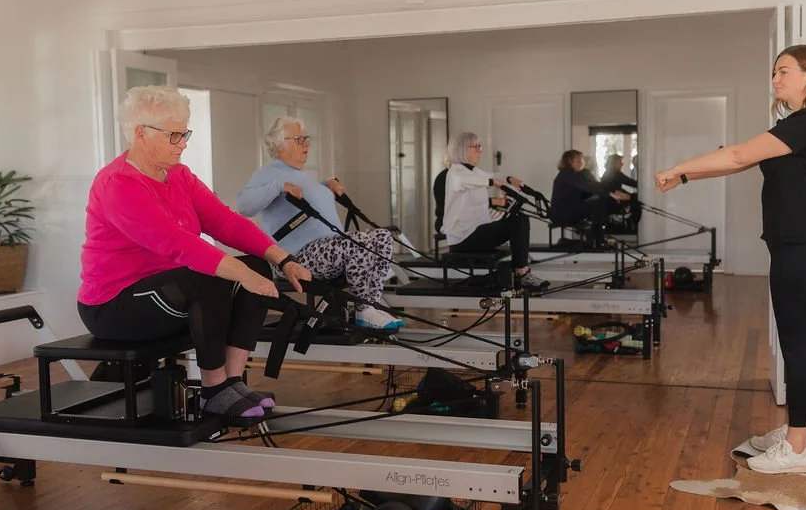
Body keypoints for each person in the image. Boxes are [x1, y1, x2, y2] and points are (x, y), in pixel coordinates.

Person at [655, 44, 806, 474]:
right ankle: (797, 434)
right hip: (795, 246)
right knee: (797, 340)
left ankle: (797, 451)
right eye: (774, 72)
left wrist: (677, 165)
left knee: (797, 344)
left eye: (784, 71)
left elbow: (738, 154)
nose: (775, 79)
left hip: (804, 248)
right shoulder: (795, 125)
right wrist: (686, 175)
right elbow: (741, 162)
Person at [77, 86, 312, 421]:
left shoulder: (179, 175)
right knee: (211, 276)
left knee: (255, 265)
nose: (183, 144)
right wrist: (242, 276)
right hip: (114, 305)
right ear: (141, 133)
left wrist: (282, 260)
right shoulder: (118, 184)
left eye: (184, 134)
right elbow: (176, 243)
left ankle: (232, 381)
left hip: (167, 292)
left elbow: (225, 222)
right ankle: (213, 389)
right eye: (174, 136)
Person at [236, 117, 404, 330]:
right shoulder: (267, 174)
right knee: (357, 243)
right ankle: (364, 311)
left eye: (306, 138)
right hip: (297, 258)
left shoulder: (301, 174)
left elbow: (308, 197)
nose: (305, 143)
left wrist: (327, 184)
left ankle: (371, 303)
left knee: (382, 237)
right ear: (279, 145)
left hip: (328, 248)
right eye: (298, 139)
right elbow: (243, 205)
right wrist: (278, 187)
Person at [441, 132, 548, 290]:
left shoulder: (473, 171)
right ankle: (522, 274)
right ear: (462, 149)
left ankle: (520, 270)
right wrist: (496, 183)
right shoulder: (455, 173)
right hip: (462, 238)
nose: (480, 151)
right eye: (475, 147)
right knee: (517, 222)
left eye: (480, 146)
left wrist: (510, 179)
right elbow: (475, 181)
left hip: (476, 231)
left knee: (520, 218)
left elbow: (493, 175)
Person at [549, 149, 631, 247]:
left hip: (567, 211)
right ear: (570, 162)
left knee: (598, 200)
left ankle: (598, 236)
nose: (581, 163)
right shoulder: (568, 174)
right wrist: (611, 194)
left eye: (581, 160)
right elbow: (589, 186)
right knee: (598, 201)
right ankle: (598, 238)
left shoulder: (572, 174)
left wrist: (613, 191)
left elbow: (594, 184)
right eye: (578, 161)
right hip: (563, 215)